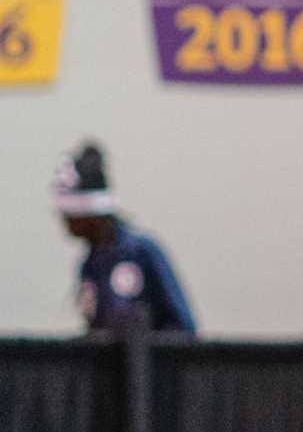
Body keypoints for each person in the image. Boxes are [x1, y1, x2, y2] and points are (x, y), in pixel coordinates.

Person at [52, 141, 198, 334]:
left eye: (70, 215)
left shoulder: (142, 252)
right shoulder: (89, 266)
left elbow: (183, 326)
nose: (64, 222)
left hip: (153, 361)